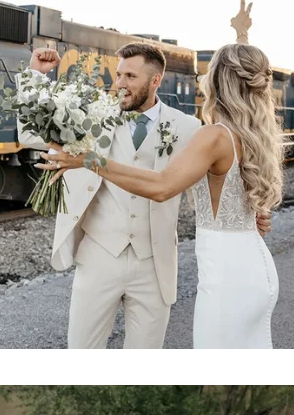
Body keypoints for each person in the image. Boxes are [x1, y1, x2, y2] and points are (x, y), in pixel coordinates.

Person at [42, 43, 282, 349]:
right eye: (119, 74)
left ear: (219, 81)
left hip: (222, 277)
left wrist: (90, 160)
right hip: (256, 266)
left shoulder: (206, 132)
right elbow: (241, 194)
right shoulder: (253, 136)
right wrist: (255, 214)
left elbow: (162, 186)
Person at [21, 43, 207, 348]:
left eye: (130, 76)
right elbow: (29, 133)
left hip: (155, 263)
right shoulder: (94, 116)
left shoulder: (187, 127)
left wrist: (253, 212)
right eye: (118, 74)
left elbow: (207, 183)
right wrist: (36, 76)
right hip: (98, 256)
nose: (120, 83)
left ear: (155, 80)